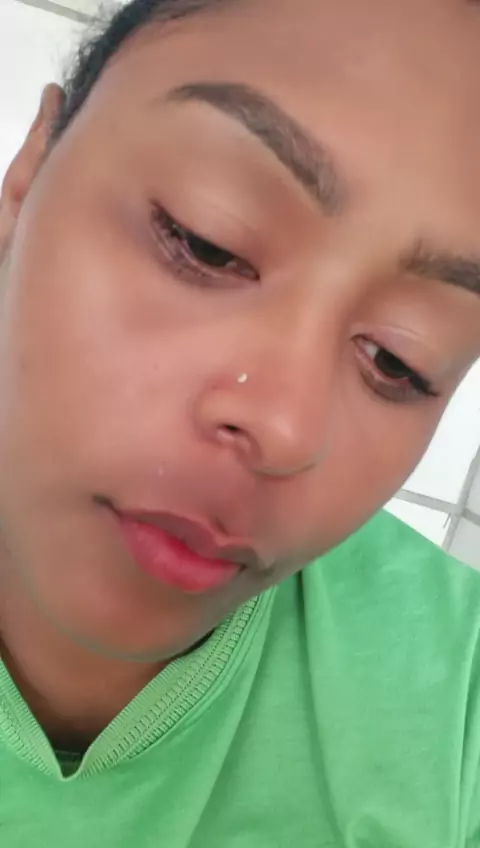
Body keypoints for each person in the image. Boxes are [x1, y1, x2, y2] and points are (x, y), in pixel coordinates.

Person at [1, 0, 480, 843]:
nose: (287, 428)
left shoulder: (457, 707)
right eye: (206, 241)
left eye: (398, 361)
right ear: (28, 174)